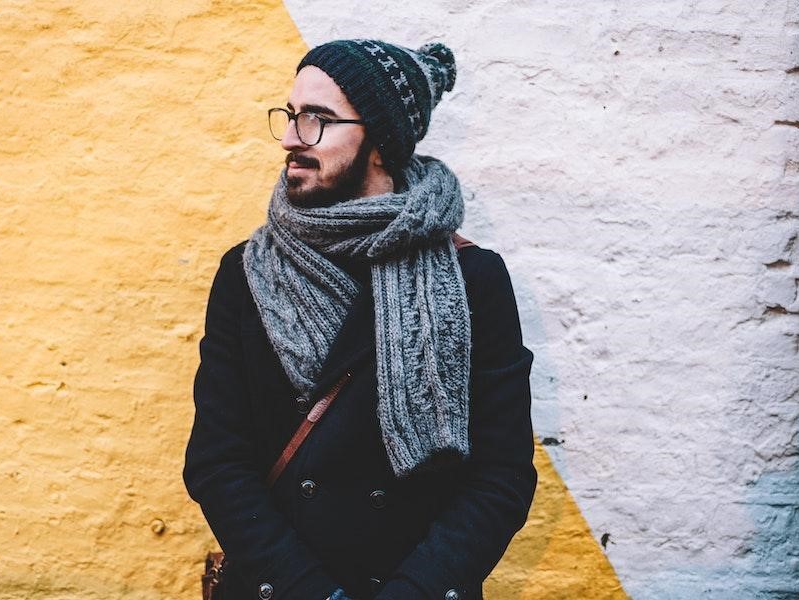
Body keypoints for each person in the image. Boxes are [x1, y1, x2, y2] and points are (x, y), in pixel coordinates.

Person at [183, 39, 537, 600]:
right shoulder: (246, 273)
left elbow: (502, 474)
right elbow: (217, 460)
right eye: (292, 115)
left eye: (318, 120)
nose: (291, 137)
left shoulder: (474, 279)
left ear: (381, 141)